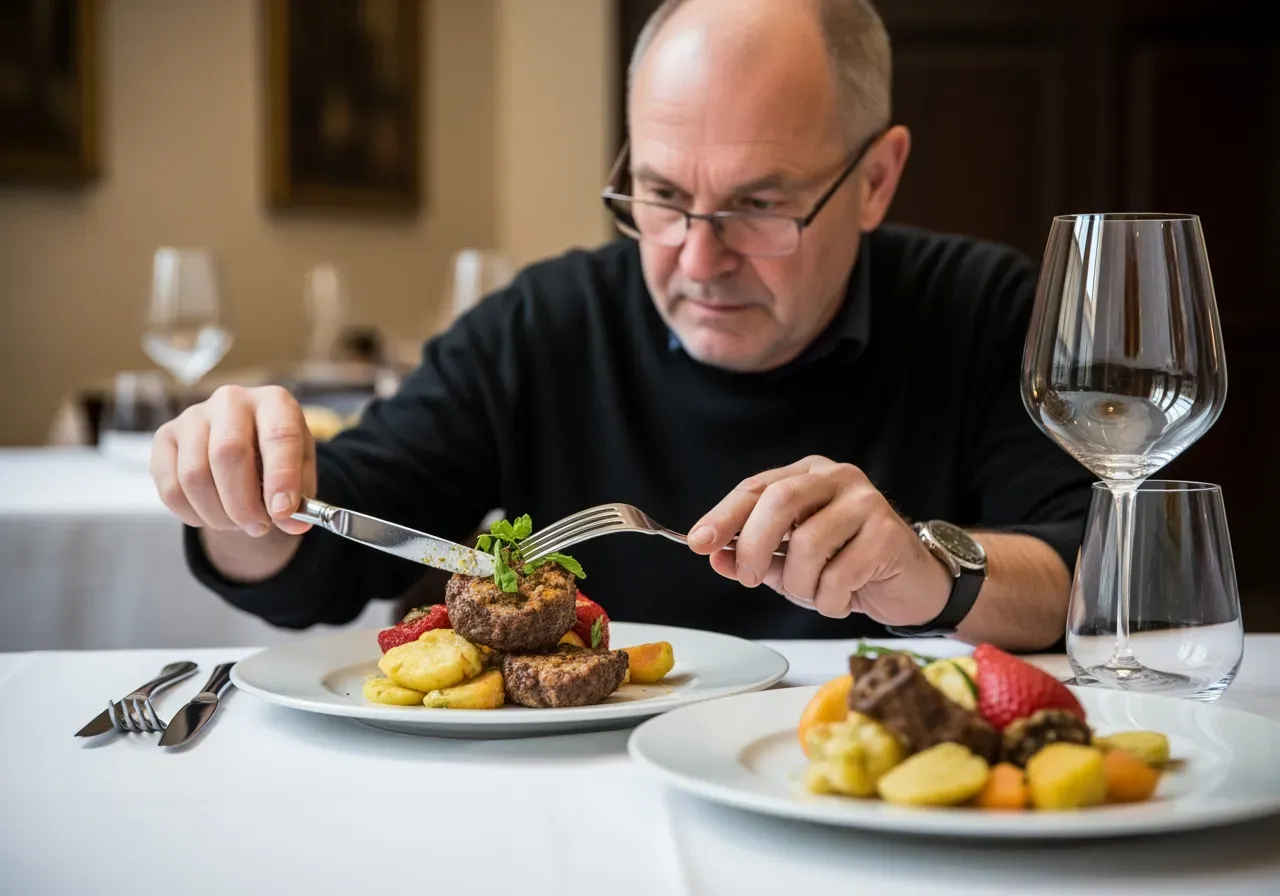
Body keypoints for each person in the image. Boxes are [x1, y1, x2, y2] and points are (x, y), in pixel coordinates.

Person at [152, 0, 1094, 651]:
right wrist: (240, 498)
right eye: (661, 195)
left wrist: (933, 569)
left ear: (877, 180)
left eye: (759, 205)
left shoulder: (983, 309)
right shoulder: (542, 325)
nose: (695, 258)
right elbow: (322, 559)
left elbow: (1088, 568)